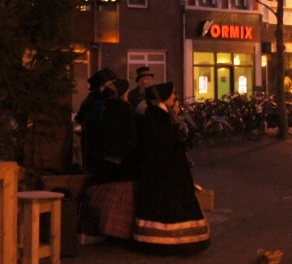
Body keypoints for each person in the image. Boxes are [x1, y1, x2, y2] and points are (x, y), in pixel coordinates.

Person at [132, 82, 210, 255]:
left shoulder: (157, 115)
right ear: (164, 98)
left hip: (163, 174)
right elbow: (165, 146)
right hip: (166, 176)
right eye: (172, 95)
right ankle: (171, 241)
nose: (175, 98)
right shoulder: (159, 118)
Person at [81, 77, 138, 239]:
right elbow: (130, 137)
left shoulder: (101, 106)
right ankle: (116, 229)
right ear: (122, 94)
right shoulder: (125, 109)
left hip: (100, 162)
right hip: (120, 164)